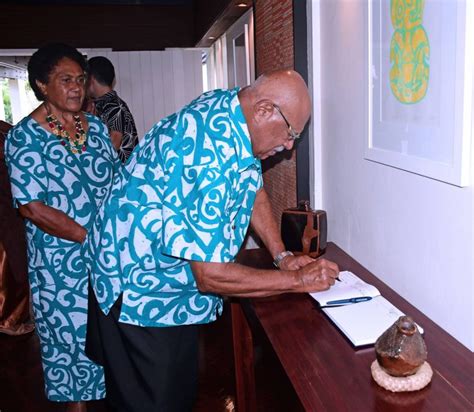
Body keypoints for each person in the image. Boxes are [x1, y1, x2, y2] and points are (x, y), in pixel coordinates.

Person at [86, 69, 339, 412]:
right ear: (265, 109)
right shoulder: (207, 154)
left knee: (177, 392)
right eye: (291, 132)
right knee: (151, 404)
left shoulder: (232, 109)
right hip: (136, 289)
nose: (290, 146)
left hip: (168, 287)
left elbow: (252, 187)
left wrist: (282, 255)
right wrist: (298, 280)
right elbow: (210, 275)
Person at [4, 43, 120, 412]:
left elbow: (116, 184)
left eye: (80, 79)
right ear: (41, 85)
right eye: (65, 79)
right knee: (68, 338)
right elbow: (33, 208)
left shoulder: (97, 128)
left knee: (110, 333)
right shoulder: (23, 138)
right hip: (59, 263)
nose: (76, 87)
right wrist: (90, 239)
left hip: (108, 255)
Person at [0, 120, 34, 336]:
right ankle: (8, 320)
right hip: (6, 208)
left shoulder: (6, 129)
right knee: (12, 263)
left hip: (9, 206)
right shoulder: (6, 131)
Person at [86, 56, 138, 163]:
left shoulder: (113, 105)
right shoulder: (103, 105)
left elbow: (114, 143)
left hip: (120, 176)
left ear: (90, 79)